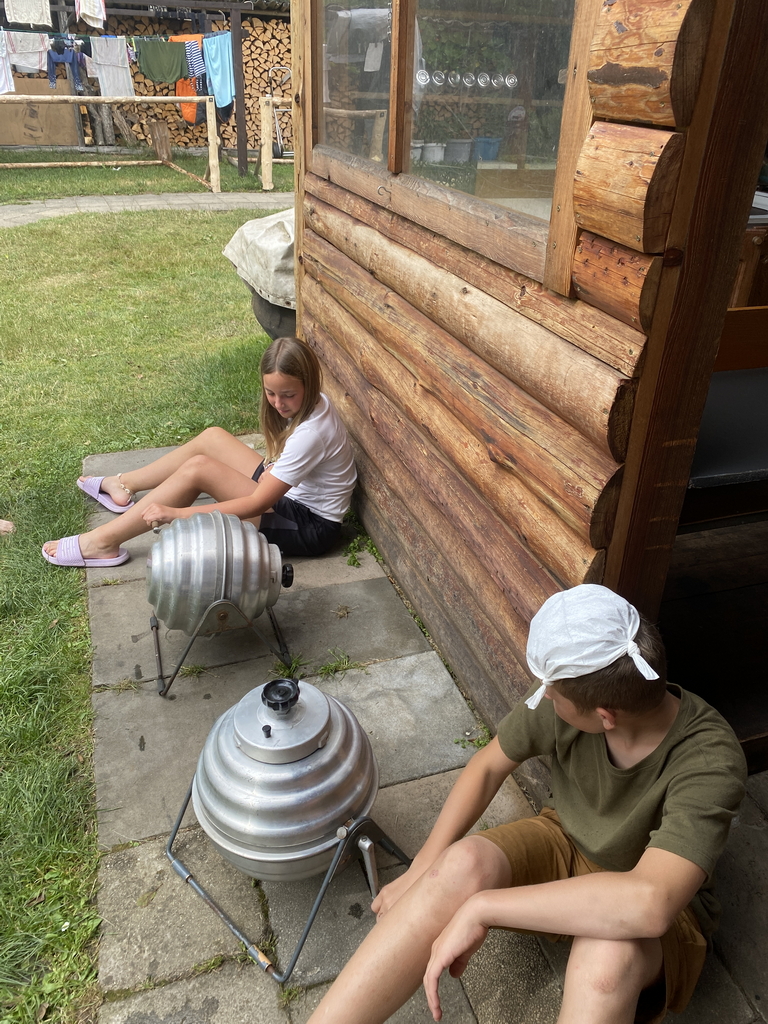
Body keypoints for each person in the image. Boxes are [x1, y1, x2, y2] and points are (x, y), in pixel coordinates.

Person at [306, 584, 747, 1024]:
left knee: (605, 965)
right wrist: (421, 870)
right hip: (563, 837)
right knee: (459, 865)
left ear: (605, 718)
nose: (545, 696)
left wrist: (482, 908)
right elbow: (487, 767)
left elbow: (650, 903)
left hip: (655, 897)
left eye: (553, 694)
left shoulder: (710, 758)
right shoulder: (582, 684)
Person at [42, 336, 357, 567]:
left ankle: (102, 542)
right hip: (289, 497)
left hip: (309, 526)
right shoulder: (314, 402)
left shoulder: (311, 433)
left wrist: (176, 514)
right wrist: (274, 467)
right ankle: (124, 485)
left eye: (287, 394)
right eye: (270, 393)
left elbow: (257, 503)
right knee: (212, 438)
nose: (278, 403)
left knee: (198, 470)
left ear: (309, 384)